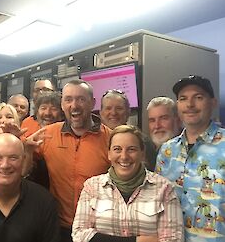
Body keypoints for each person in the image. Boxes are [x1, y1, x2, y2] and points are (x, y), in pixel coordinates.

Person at [29, 79, 111, 242]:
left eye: (81, 99)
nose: (74, 105)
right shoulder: (48, 134)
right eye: (68, 99)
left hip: (97, 229)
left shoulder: (110, 138)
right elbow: (20, 160)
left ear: (92, 103)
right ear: (62, 104)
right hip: (59, 228)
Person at [72, 125, 183, 242]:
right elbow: (79, 235)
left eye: (131, 149)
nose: (124, 156)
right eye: (117, 149)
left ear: (142, 153)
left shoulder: (164, 189)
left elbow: (173, 239)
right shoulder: (92, 187)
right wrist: (137, 240)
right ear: (109, 154)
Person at [155, 75, 225, 241]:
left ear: (213, 103)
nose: (190, 105)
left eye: (198, 97)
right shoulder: (167, 151)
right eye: (183, 99)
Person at [20, 91, 63, 188]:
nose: (48, 113)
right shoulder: (27, 125)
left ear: (61, 112)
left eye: (53, 109)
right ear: (37, 111)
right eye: (43, 108)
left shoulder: (66, 133)